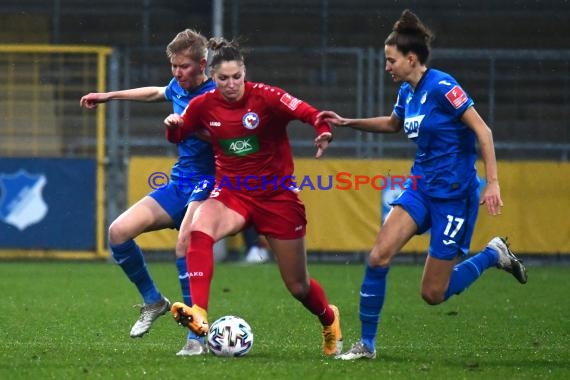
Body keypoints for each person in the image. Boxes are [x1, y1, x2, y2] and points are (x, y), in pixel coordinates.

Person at [317, 9, 528, 360]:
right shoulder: (407, 92)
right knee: (378, 255)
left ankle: (493, 255)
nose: (386, 66)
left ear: (411, 59)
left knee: (433, 293)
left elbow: (483, 131)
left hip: (455, 197)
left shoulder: (444, 87)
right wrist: (347, 121)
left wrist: (492, 183)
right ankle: (366, 345)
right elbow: (392, 123)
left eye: (390, 60)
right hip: (421, 188)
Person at [164, 37, 343, 356]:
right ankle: (200, 315)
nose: (231, 84)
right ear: (213, 78)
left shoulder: (267, 97)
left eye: (237, 77)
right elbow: (181, 133)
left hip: (277, 197)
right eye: (223, 78)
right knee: (197, 230)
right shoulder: (203, 105)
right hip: (232, 192)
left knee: (298, 287)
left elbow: (308, 112)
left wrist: (321, 128)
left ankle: (329, 320)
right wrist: (173, 126)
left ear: (245, 74)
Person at [80, 29, 216, 356]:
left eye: (183, 67)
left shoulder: (217, 94)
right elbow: (156, 92)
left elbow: (229, 139)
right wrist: (107, 96)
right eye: (173, 66)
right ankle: (153, 300)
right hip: (179, 184)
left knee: (184, 247)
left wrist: (188, 127)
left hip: (213, 184)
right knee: (118, 232)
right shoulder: (177, 87)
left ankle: (195, 336)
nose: (177, 73)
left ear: (202, 64)